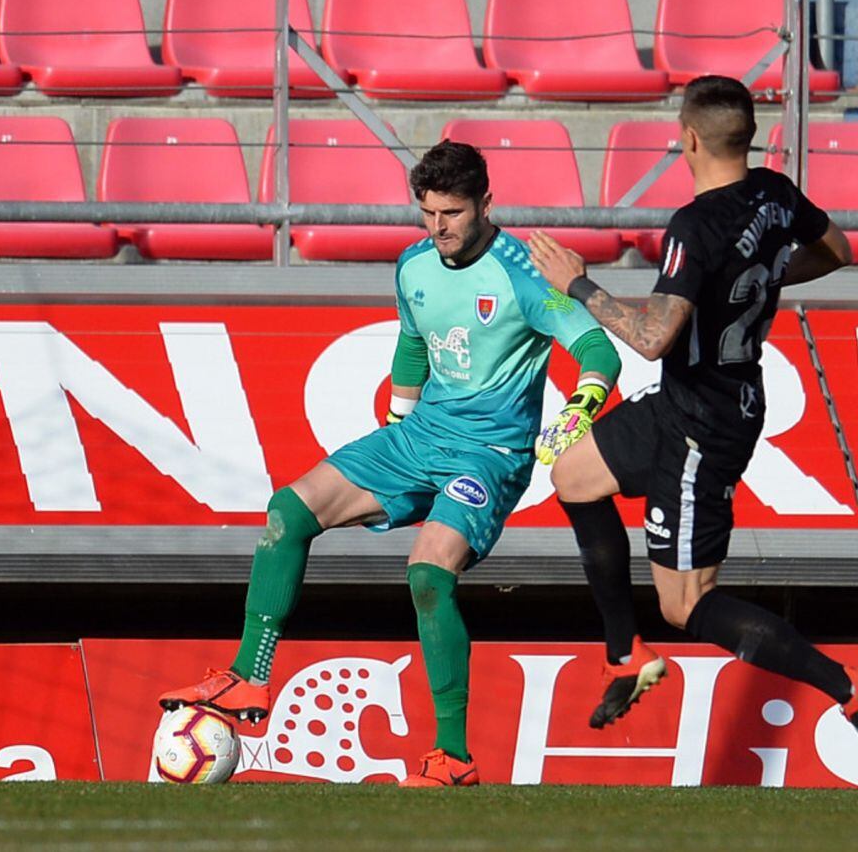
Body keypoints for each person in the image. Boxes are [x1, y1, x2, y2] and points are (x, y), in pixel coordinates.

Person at [159, 140, 621, 787]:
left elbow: (599, 348)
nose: (439, 229)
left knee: (428, 573)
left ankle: (452, 757)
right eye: (428, 213)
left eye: (453, 213)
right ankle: (250, 677)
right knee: (288, 511)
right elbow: (412, 346)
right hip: (417, 436)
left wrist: (582, 403)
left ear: (486, 204)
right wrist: (398, 428)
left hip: (490, 455)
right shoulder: (414, 266)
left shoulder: (526, 275)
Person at [528, 76, 858, 770]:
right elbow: (839, 249)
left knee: (686, 603)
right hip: (686, 401)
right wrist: (755, 283)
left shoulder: (693, 228)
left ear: (688, 138)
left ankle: (848, 692)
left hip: (706, 423)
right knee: (574, 475)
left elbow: (652, 338)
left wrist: (579, 283)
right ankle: (622, 654)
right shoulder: (777, 193)